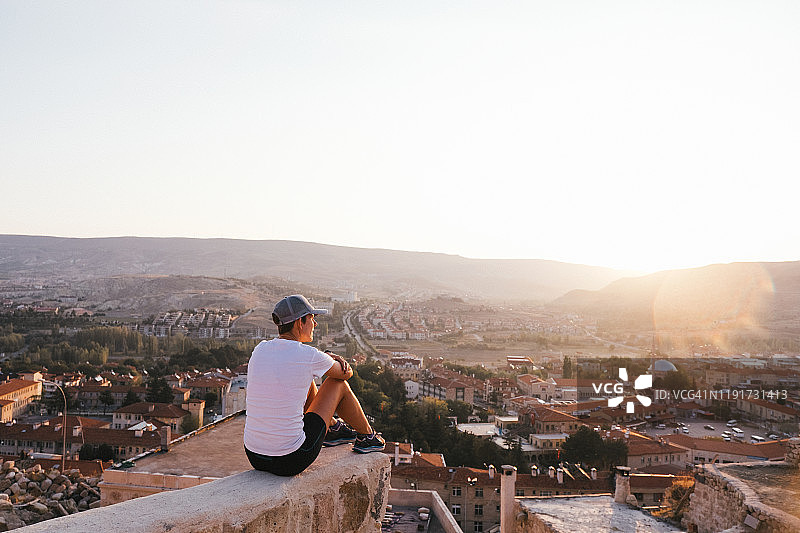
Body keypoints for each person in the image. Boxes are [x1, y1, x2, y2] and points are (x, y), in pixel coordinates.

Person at [244, 294, 385, 476]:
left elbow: (299, 368)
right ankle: (368, 437)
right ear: (299, 323)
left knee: (306, 378)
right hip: (291, 458)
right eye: (312, 318)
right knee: (337, 384)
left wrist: (323, 360)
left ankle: (333, 429)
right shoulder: (308, 355)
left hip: (255, 455)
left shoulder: (260, 349)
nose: (315, 324)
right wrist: (333, 358)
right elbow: (345, 374)